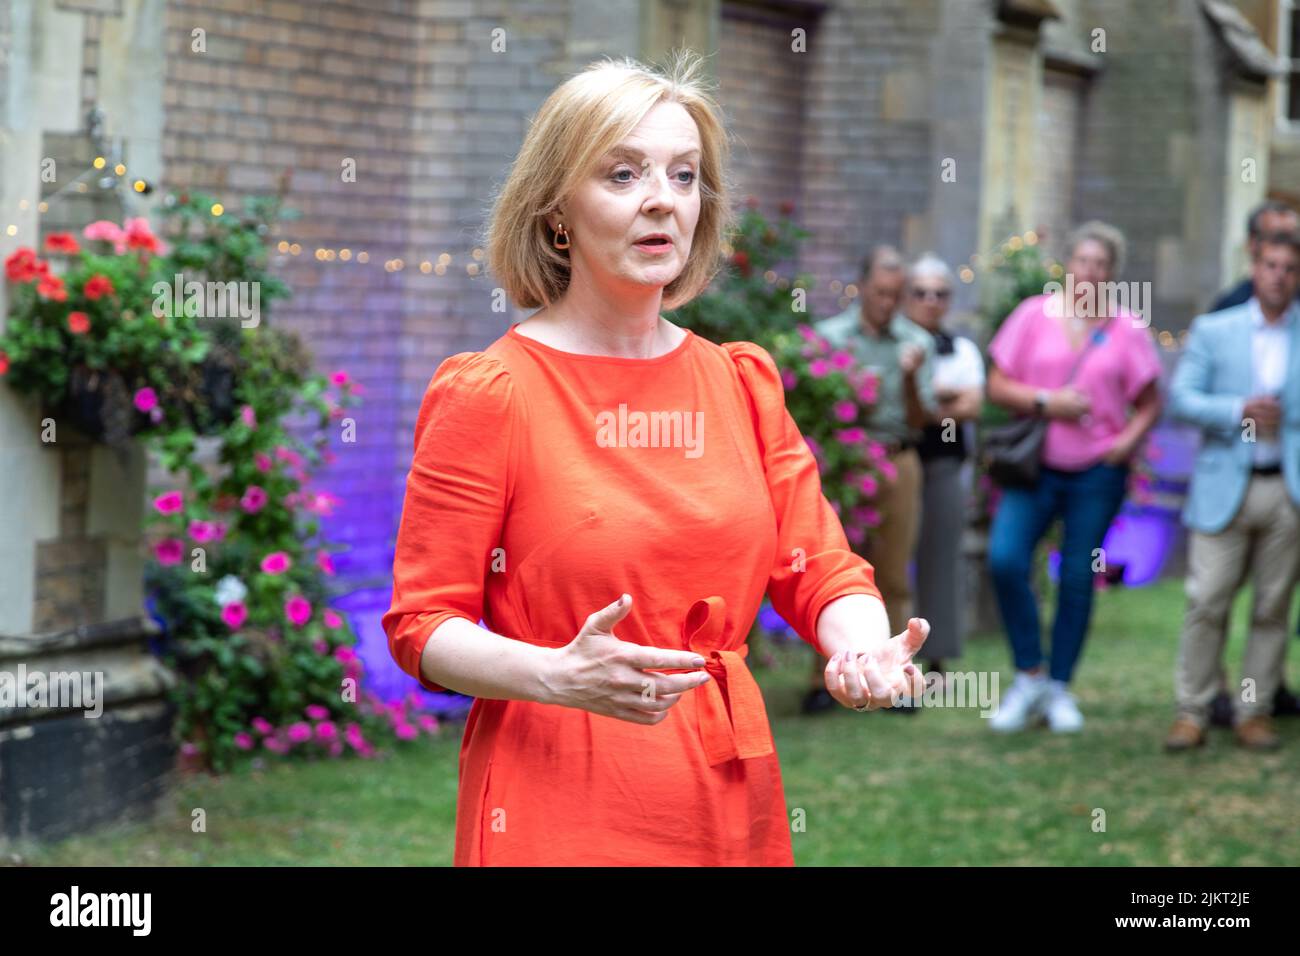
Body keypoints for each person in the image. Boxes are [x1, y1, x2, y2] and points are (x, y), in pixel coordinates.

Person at [381, 52, 929, 867]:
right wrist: (554, 674)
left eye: (683, 176)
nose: (660, 201)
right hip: (561, 789)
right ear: (557, 210)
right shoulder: (492, 392)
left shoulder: (739, 381)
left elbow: (820, 567)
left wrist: (857, 645)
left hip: (724, 781)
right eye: (623, 173)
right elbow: (423, 624)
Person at [985, 221, 1163, 733]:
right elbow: (996, 383)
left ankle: (1060, 687)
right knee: (1005, 559)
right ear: (1067, 266)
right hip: (1035, 467)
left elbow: (1150, 402)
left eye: (1101, 264)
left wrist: (1126, 444)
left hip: (1095, 475)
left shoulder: (1127, 328)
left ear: (1112, 273)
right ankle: (1029, 675)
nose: (1090, 272)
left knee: (1080, 577)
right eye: (1083, 261)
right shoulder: (1032, 316)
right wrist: (1048, 401)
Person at [1163, 229, 1300, 752]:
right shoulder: (1215, 330)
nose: (1279, 276)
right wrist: (1237, 410)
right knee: (1206, 601)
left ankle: (1254, 710)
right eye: (1271, 265)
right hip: (1225, 486)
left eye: (1289, 268)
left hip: (1285, 490)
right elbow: (1182, 399)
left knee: (1272, 609)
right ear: (1254, 267)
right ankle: (1192, 710)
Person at [801, 246, 938, 714]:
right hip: (845, 462)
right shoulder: (829, 337)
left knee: (894, 571)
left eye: (896, 295)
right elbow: (817, 411)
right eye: (881, 292)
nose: (887, 302)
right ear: (862, 287)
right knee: (831, 570)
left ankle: (893, 677)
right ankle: (825, 680)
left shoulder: (916, 341)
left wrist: (909, 379)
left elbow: (924, 420)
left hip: (899, 458)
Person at [904, 254, 985, 683]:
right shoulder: (894, 341)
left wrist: (927, 401)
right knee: (890, 561)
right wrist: (942, 399)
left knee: (941, 560)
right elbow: (897, 403)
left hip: (943, 464)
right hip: (898, 460)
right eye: (921, 292)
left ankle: (937, 657)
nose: (931, 301)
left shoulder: (963, 349)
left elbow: (971, 406)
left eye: (940, 294)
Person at [1209, 200, 1299, 312]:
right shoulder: (1229, 309)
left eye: (1293, 238)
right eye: (1277, 239)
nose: (1286, 249)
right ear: (1252, 244)